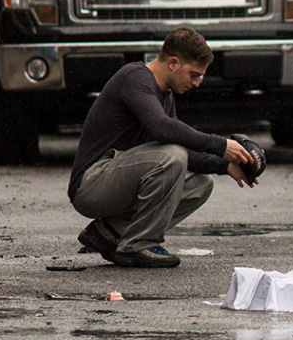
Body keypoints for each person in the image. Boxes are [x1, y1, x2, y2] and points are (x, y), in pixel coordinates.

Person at [68, 26, 265, 269]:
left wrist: (225, 166)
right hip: (91, 185)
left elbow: (179, 153)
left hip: (117, 181)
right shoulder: (135, 78)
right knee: (172, 155)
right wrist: (221, 144)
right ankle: (138, 245)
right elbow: (163, 130)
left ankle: (109, 233)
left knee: (199, 185)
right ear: (173, 63)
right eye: (193, 74)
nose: (197, 83)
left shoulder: (166, 95)